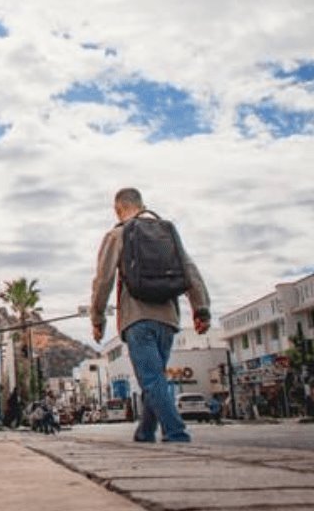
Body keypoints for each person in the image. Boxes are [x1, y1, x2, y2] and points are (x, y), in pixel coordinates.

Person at [90, 188, 212, 443]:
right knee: (154, 377)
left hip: (138, 319)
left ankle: (176, 432)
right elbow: (190, 271)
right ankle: (145, 431)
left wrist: (97, 318)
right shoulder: (166, 232)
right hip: (168, 319)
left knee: (151, 378)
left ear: (118, 208)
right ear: (143, 204)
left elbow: (103, 280)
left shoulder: (118, 234)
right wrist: (201, 309)